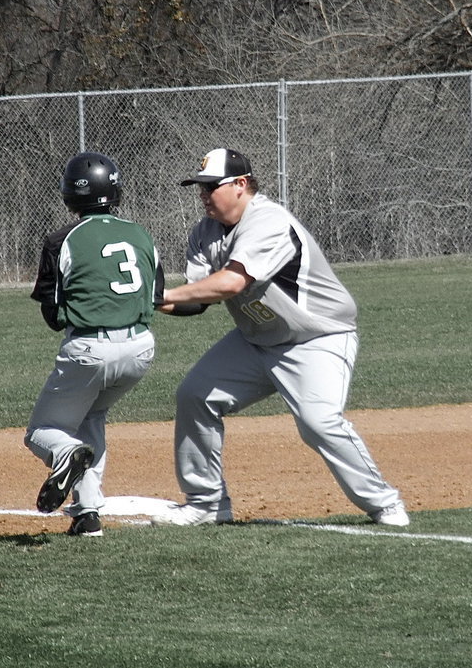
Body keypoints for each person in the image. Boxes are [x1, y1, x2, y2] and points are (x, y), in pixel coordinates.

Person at [151, 147, 409, 527]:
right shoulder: (204, 233)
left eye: (211, 186)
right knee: (195, 395)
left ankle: (384, 503)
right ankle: (207, 503)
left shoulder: (268, 221)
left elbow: (231, 283)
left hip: (318, 337)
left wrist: (161, 295)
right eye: (199, 188)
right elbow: (198, 298)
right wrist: (148, 303)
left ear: (241, 185)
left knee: (318, 421)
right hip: (258, 339)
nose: (204, 195)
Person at [24, 151, 164, 537]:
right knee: (90, 417)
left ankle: (64, 455)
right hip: (141, 349)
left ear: (69, 195)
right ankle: (87, 514)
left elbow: (53, 318)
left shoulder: (60, 241)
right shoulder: (140, 234)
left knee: (42, 432)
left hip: (90, 349)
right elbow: (156, 296)